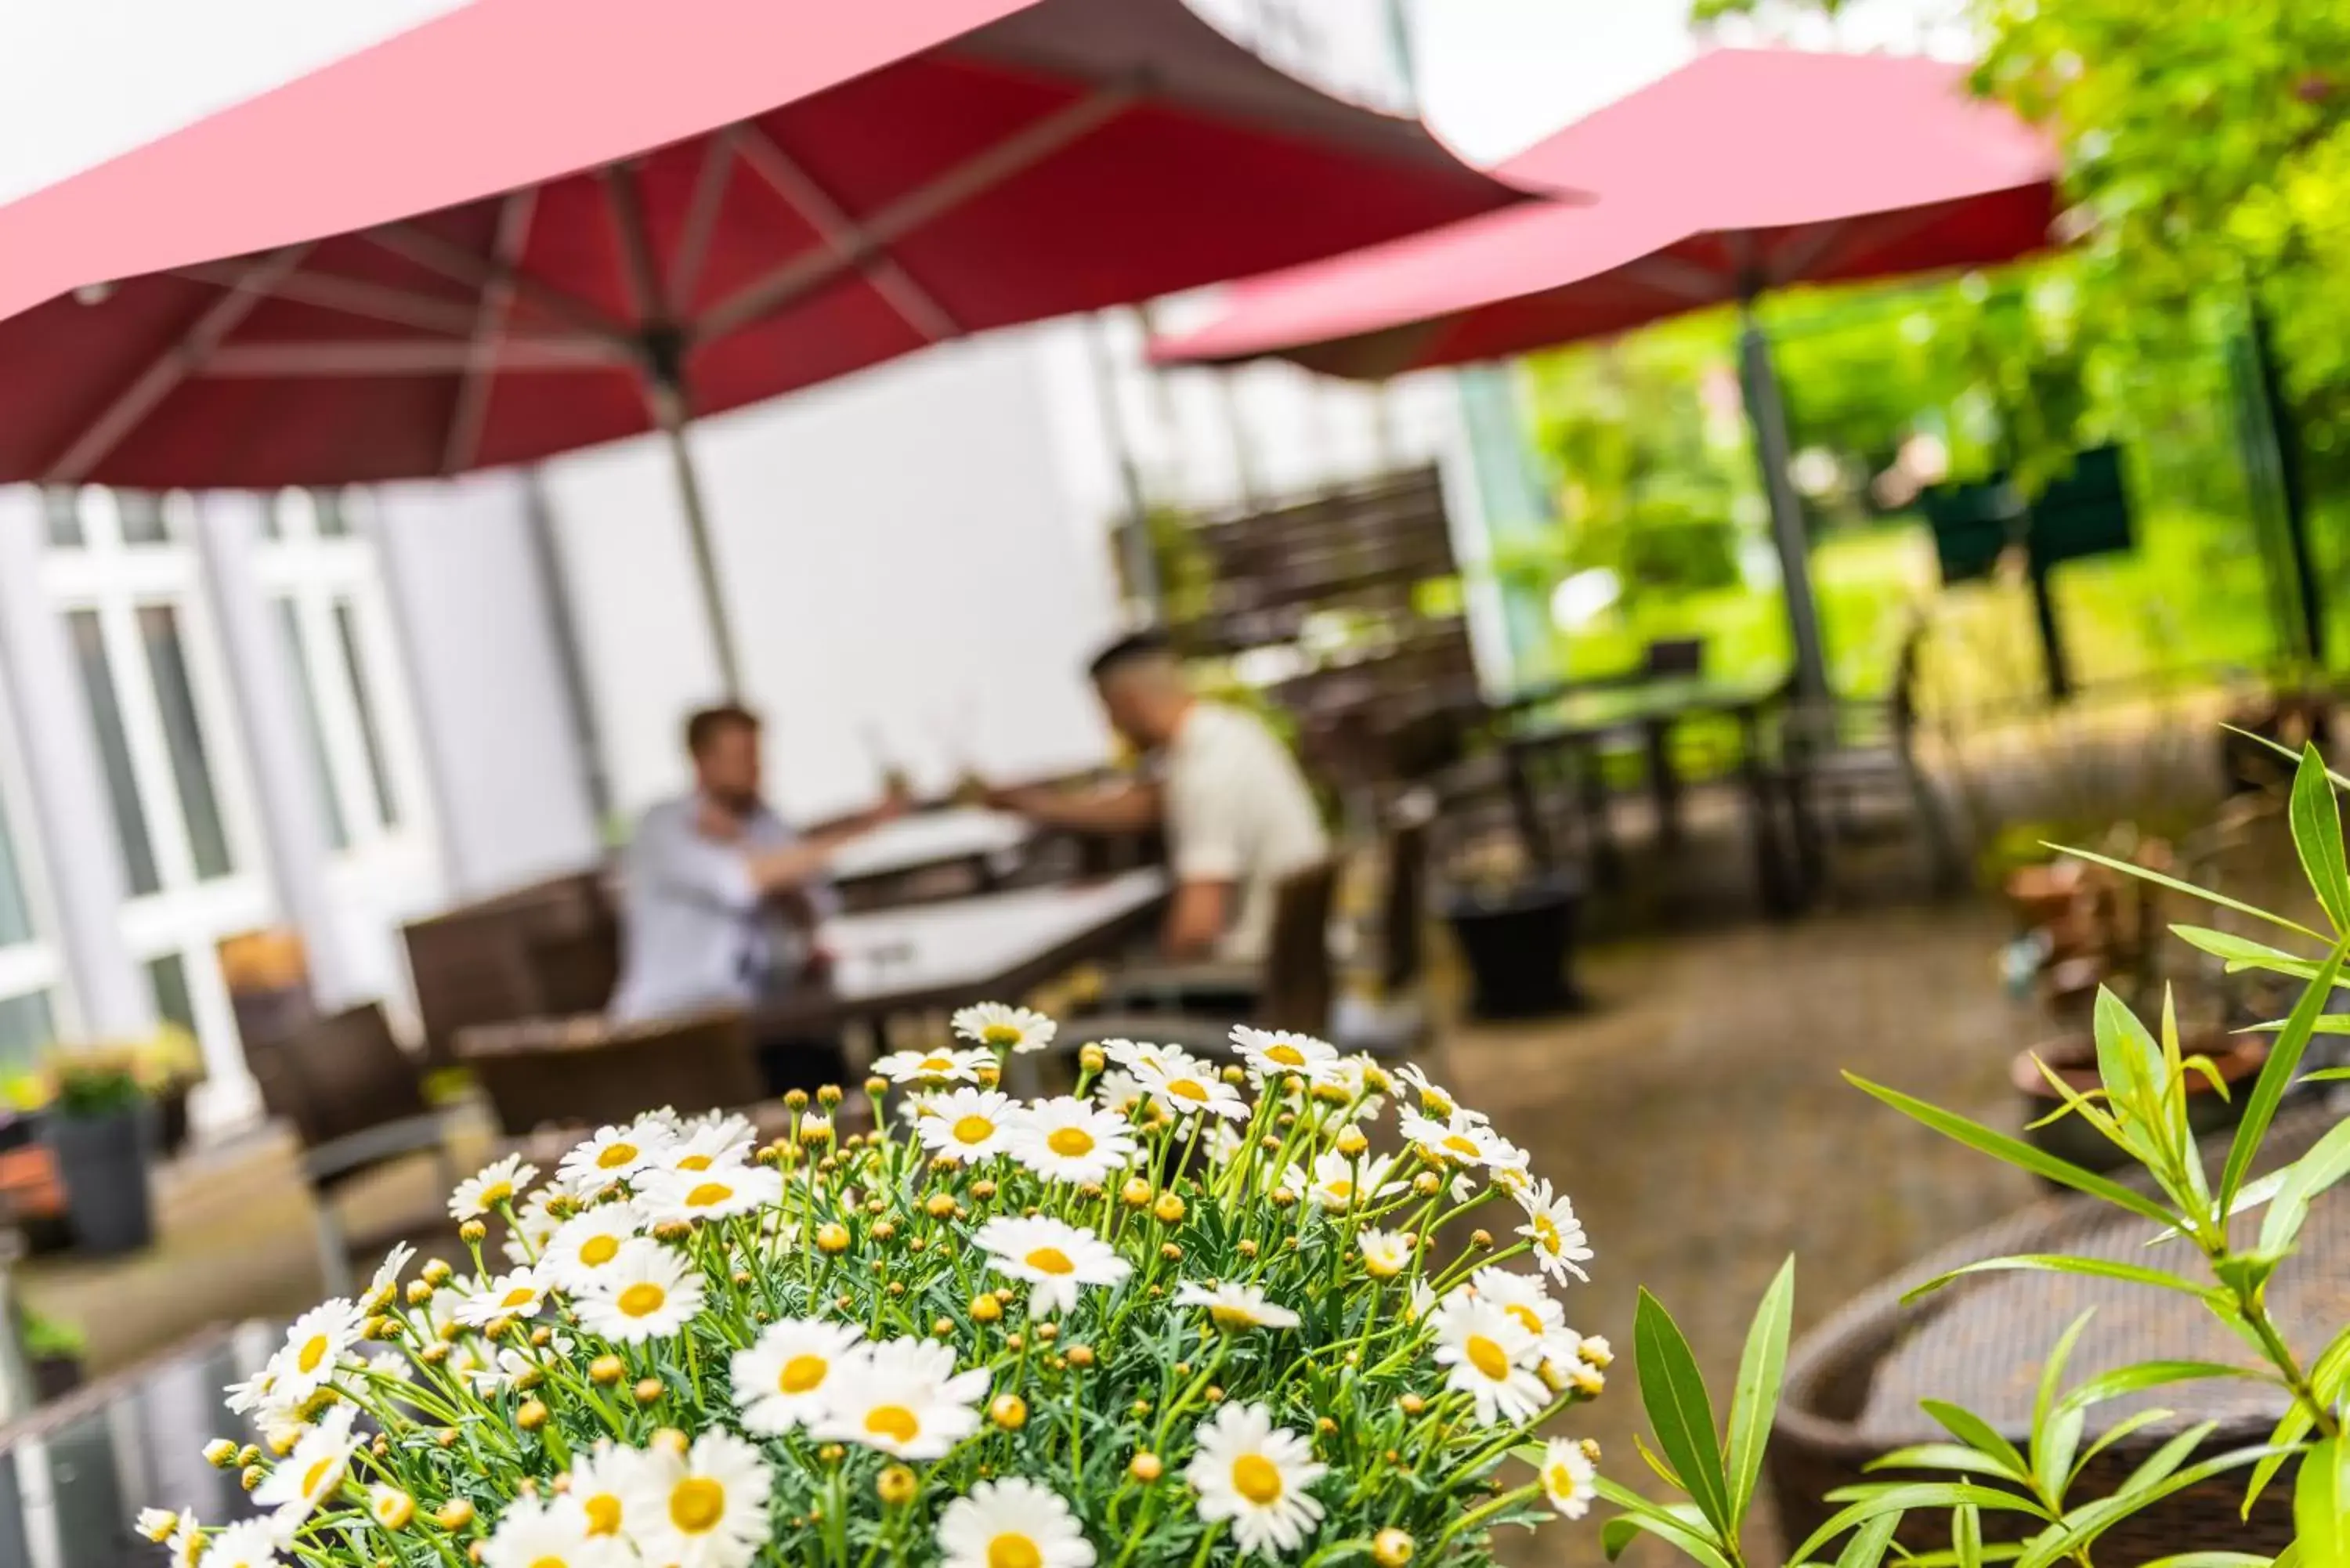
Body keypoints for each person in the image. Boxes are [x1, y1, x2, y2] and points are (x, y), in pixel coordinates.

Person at [610, 703, 906, 1092]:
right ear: (702, 761)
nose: (755, 769)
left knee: (832, 1068)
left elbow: (813, 908)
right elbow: (743, 881)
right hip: (678, 1026)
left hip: (760, 1017)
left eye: (757, 756)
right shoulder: (665, 824)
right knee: (812, 1073)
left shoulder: (762, 822)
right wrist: (859, 833)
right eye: (741, 757)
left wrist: (744, 842)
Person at [992, 631, 1328, 961]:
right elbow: (1146, 804)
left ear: (1128, 703)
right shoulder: (1225, 733)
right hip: (1299, 951)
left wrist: (1143, 983)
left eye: (1108, 711)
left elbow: (1197, 927)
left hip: (1258, 967)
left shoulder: (1206, 775)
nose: (1111, 726)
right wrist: (1035, 805)